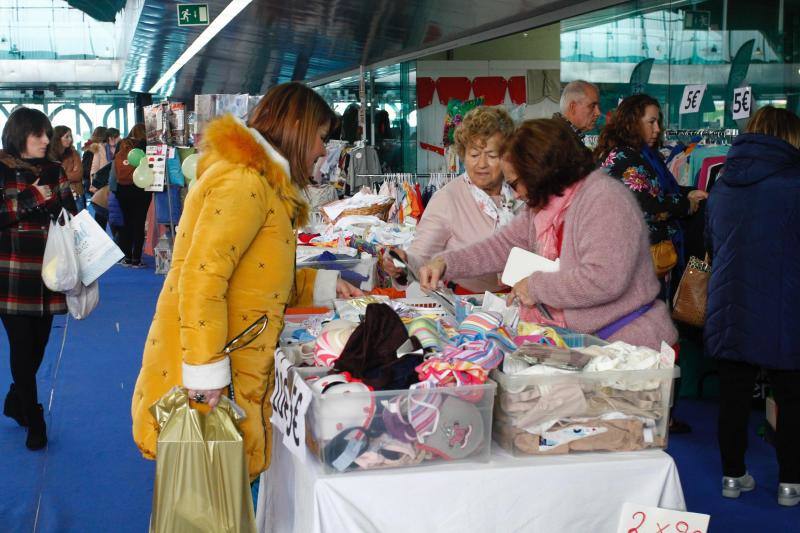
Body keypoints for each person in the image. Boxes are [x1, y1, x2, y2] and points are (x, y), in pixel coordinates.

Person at [131, 82, 363, 483]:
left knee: (216, 499)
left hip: (233, 366)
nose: (323, 151)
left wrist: (322, 286)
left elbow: (258, 279)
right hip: (216, 375)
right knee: (208, 502)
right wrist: (205, 379)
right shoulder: (245, 182)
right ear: (296, 126)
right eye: (321, 138)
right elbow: (202, 281)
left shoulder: (261, 183)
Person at [419, 118, 677, 351]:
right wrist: (446, 263)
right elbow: (503, 245)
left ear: (540, 170)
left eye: (515, 183)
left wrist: (535, 286)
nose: (516, 194)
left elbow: (603, 279)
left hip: (629, 347)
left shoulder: (605, 200)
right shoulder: (545, 205)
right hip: (593, 342)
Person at [705, 106, 800, 506]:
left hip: (730, 302)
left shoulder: (722, 183)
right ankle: (790, 483)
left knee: (733, 398)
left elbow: (711, 242)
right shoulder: (795, 183)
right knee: (792, 399)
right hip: (786, 304)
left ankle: (732, 475)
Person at [0, 107, 77, 450]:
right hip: (11, 273)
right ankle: (34, 417)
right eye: (39, 135)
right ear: (19, 136)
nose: (47, 141)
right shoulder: (1, 170)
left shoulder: (54, 169)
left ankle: (17, 396)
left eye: (48, 134)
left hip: (50, 272)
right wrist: (36, 196)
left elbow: (71, 213)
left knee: (39, 345)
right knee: (20, 346)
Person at [381, 106, 522, 293]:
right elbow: (422, 256)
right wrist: (403, 262)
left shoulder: (521, 192)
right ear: (463, 155)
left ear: (506, 156)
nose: (481, 164)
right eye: (474, 155)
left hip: (526, 304)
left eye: (491, 155)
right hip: (470, 306)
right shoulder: (448, 198)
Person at [595, 94, 708, 278]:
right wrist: (686, 204)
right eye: (651, 122)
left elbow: (660, 188)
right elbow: (645, 207)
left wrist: (690, 192)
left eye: (658, 122)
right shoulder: (626, 158)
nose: (657, 129)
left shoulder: (641, 154)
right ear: (632, 123)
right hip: (636, 262)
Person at [112, 124, 150, 267]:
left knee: (126, 223)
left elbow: (114, 167)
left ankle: (126, 257)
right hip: (140, 189)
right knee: (139, 223)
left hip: (122, 188)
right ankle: (136, 259)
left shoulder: (121, 144)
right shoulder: (145, 145)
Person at [553, 80, 601, 145]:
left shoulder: (566, 136)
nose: (598, 113)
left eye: (598, 106)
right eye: (592, 106)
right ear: (573, 107)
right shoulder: (557, 140)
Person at [47, 125, 84, 210]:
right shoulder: (49, 155)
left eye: (70, 136)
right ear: (57, 138)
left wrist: (59, 176)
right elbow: (49, 177)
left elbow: (78, 175)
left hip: (76, 194)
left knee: (78, 221)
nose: (70, 139)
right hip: (56, 196)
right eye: (66, 137)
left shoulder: (74, 153)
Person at [81, 126, 107, 206]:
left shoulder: (90, 147)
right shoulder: (96, 149)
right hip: (95, 183)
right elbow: (87, 169)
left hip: (92, 182)